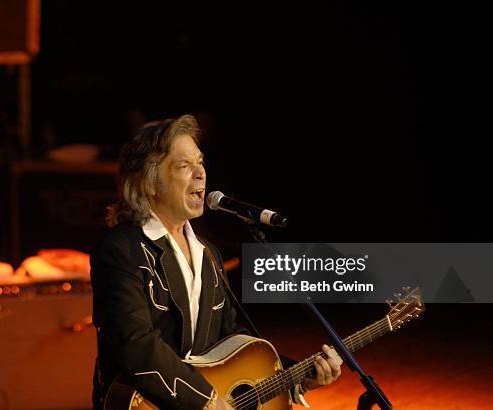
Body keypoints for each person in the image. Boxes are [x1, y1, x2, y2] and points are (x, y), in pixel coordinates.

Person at [91, 115, 342, 409]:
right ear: (150, 182)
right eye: (184, 166)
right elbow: (137, 346)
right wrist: (205, 400)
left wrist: (298, 376)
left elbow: (228, 342)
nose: (200, 174)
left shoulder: (207, 252)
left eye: (201, 162)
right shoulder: (121, 250)